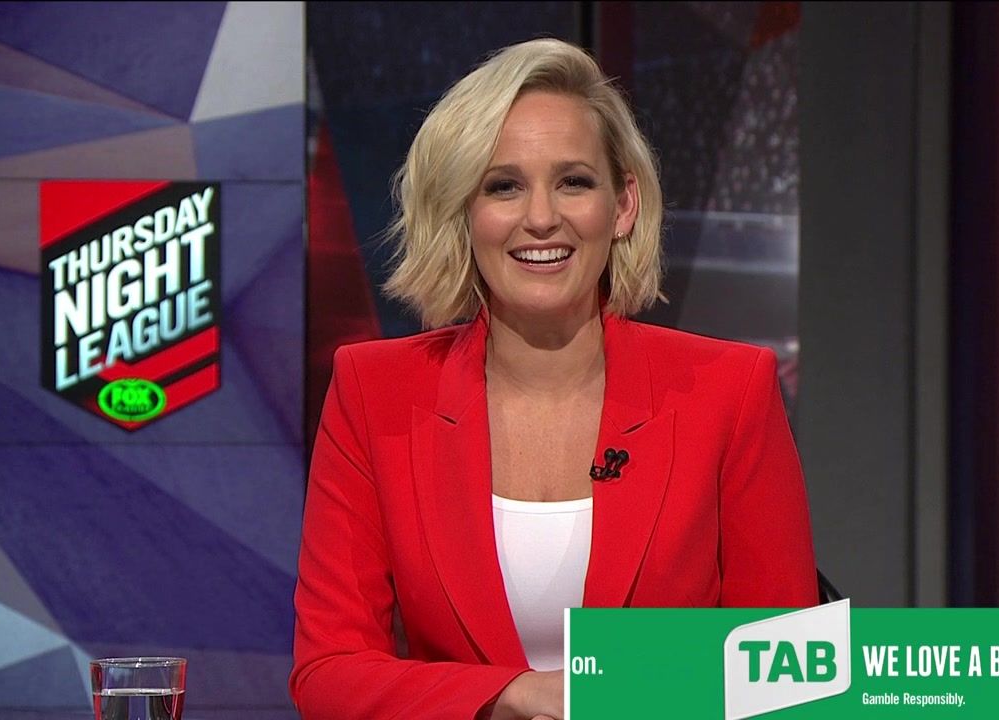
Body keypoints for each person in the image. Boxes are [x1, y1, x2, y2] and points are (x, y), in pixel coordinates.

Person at [290, 38, 817, 720]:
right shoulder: (374, 391)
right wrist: (516, 694)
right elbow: (329, 672)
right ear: (462, 210)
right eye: (503, 186)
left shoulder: (730, 390)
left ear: (622, 204)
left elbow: (788, 672)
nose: (541, 218)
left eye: (574, 181)